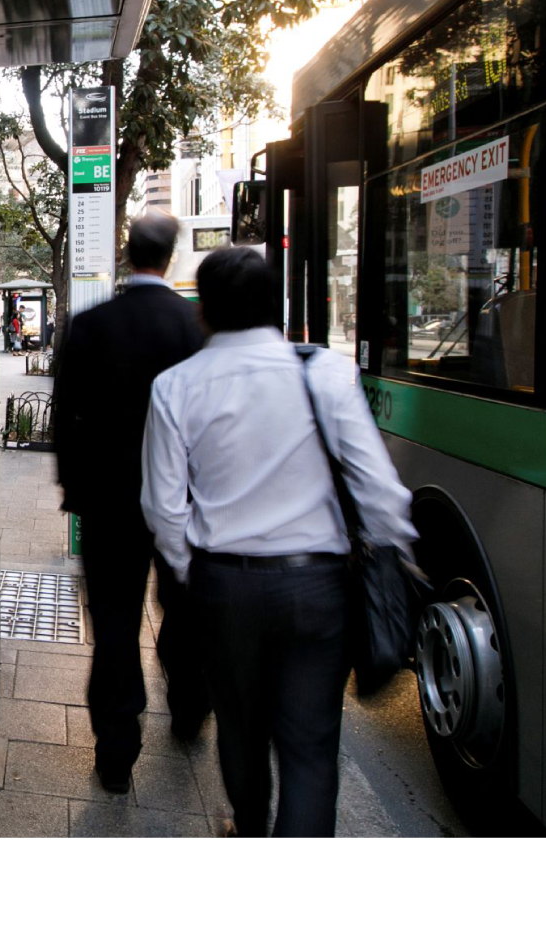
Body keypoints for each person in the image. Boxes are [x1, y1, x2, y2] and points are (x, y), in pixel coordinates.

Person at [141, 246, 417, 837]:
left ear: (204, 313)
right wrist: (391, 560)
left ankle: (248, 827)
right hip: (318, 588)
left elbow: (163, 508)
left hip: (223, 585)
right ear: (277, 306)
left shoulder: (176, 386)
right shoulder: (324, 373)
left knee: (240, 731)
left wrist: (195, 572)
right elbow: (383, 496)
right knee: (311, 747)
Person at [52, 212, 207, 793]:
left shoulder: (93, 324)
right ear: (169, 258)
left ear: (126, 253)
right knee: (185, 608)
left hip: (108, 503)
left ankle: (116, 750)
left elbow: (64, 414)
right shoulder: (193, 328)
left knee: (115, 624)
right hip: (185, 503)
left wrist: (74, 486)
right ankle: (191, 706)